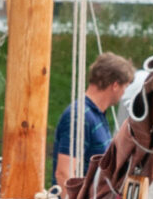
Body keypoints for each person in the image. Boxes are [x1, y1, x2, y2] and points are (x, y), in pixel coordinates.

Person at [53, 53, 134, 185]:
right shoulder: (80, 116)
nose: (124, 93)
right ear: (115, 85)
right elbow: (64, 173)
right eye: (125, 87)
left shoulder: (97, 115)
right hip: (78, 198)